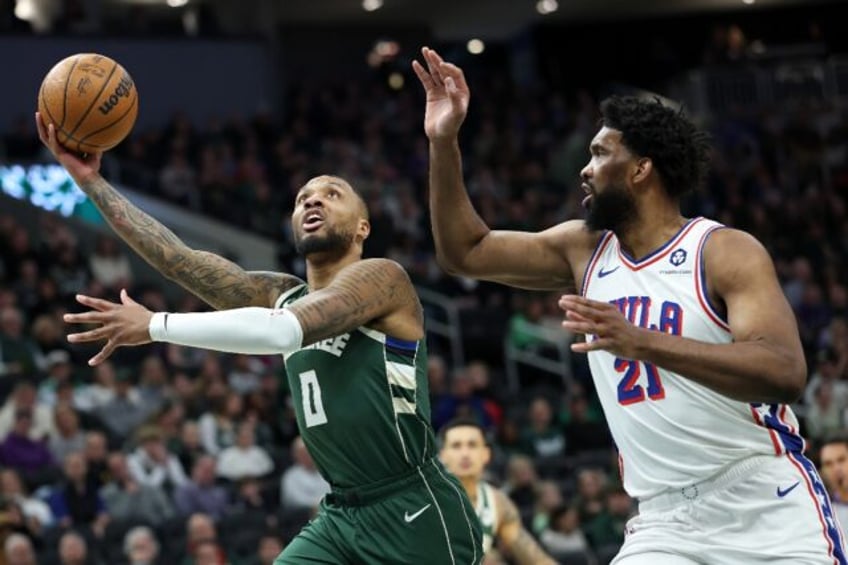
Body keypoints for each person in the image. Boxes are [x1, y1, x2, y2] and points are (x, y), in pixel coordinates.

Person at [413, 46, 844, 563]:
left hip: (763, 498)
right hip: (663, 520)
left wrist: (644, 343)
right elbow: (465, 252)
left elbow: (783, 371)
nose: (584, 170)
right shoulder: (583, 248)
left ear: (641, 169)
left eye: (600, 153)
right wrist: (444, 142)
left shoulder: (723, 251)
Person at [37, 113, 482, 564]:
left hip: (415, 505)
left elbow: (284, 329)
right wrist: (91, 182)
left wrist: (156, 325)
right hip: (344, 513)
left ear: (363, 228)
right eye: (302, 198)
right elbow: (179, 260)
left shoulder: (383, 279)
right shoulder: (280, 292)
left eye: (332, 194)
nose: (314, 202)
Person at [439, 418, 556, 565]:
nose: (465, 454)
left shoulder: (497, 501)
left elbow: (532, 555)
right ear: (442, 455)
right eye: (456, 446)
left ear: (486, 454)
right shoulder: (424, 498)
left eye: (472, 445)